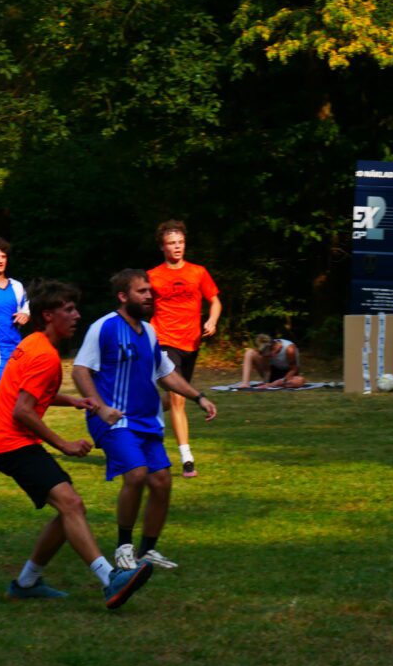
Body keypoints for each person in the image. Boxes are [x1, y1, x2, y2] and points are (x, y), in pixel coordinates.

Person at [0, 279, 154, 608]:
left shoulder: (32, 344)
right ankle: (110, 579)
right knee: (71, 504)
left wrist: (74, 401)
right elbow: (23, 410)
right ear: (48, 315)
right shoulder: (45, 356)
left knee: (70, 508)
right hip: (9, 442)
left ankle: (26, 583)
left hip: (5, 439)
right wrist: (64, 444)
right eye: (69, 309)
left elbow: (31, 392)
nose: (77, 315)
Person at [73, 269, 218, 571]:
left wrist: (199, 397)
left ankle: (148, 550)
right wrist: (100, 407)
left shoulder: (150, 332)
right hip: (115, 419)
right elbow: (80, 370)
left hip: (146, 420)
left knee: (162, 482)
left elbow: (166, 374)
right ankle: (123, 548)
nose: (150, 296)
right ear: (123, 296)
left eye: (150, 291)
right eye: (142, 291)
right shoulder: (104, 327)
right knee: (137, 473)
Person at [148, 220, 221, 478]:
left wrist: (212, 320)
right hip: (164, 341)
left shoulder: (198, 272)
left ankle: (137, 412)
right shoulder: (152, 276)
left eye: (180, 242)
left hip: (191, 343)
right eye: (171, 243)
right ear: (162, 247)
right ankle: (187, 459)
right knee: (178, 399)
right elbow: (141, 303)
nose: (177, 247)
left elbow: (215, 301)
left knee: (173, 398)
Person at [0, 237, 30, 391]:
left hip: (17, 353)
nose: (0, 261)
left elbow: (26, 309)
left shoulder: (17, 286)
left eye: (3, 256)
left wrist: (25, 316)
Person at [237, 334, 306, 389]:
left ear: (273, 348)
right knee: (249, 352)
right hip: (272, 374)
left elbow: (294, 369)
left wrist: (277, 382)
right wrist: (266, 382)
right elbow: (267, 369)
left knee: (300, 380)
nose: (269, 357)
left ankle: (277, 384)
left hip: (288, 376)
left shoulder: (289, 349)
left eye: (269, 356)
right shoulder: (266, 347)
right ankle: (245, 383)